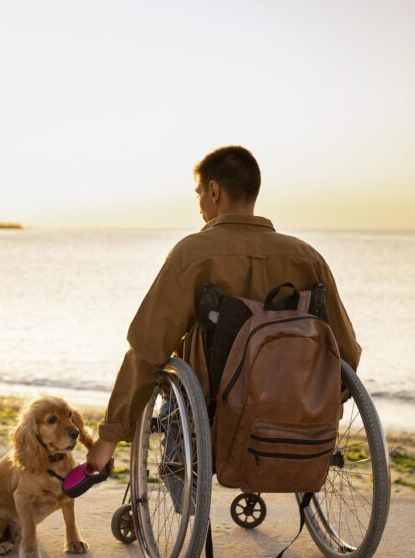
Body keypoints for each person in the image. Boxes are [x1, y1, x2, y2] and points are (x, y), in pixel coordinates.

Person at [65, 145, 361, 495]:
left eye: (200, 194)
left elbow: (147, 348)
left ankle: (181, 514)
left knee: (170, 375)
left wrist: (109, 438)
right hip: (295, 408)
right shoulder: (307, 257)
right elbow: (345, 350)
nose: (200, 205)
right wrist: (320, 403)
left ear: (214, 191)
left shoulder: (193, 253)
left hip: (211, 410)